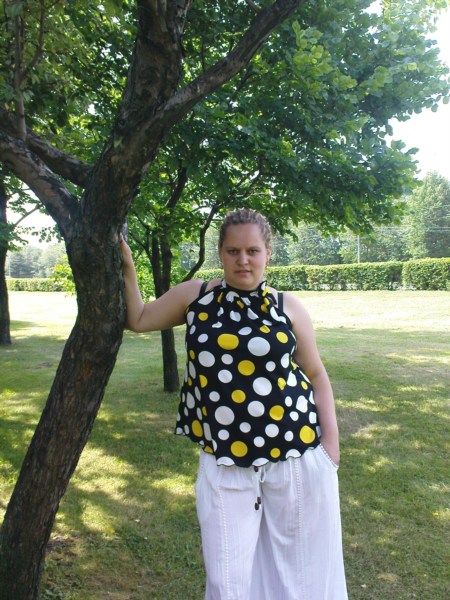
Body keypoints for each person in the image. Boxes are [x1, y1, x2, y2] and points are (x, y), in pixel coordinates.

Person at [121, 208, 348, 600]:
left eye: (252, 251)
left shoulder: (287, 307)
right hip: (225, 461)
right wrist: (127, 265)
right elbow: (138, 319)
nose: (243, 260)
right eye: (233, 251)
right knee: (227, 580)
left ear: (268, 253)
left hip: (295, 455)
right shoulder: (196, 297)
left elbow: (316, 374)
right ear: (221, 253)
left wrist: (331, 446)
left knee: (301, 575)